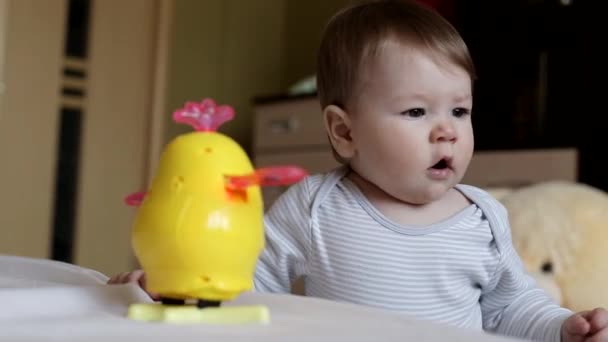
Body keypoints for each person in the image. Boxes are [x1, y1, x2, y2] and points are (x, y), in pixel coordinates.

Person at [109, 0, 608, 340]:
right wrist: (179, 288)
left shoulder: (483, 218)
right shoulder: (315, 205)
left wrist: (563, 326)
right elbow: (245, 279)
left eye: (459, 111)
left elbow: (511, 306)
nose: (447, 131)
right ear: (344, 133)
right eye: (417, 112)